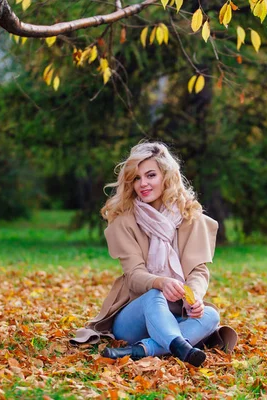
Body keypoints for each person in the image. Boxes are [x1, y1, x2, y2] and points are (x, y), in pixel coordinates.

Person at [70, 142, 237, 367]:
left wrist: (194, 296)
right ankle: (178, 345)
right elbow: (134, 275)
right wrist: (161, 282)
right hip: (134, 316)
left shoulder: (191, 218)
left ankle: (143, 349)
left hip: (178, 313)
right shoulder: (126, 221)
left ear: (166, 176)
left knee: (210, 315)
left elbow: (199, 271)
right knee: (154, 295)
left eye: (150, 175)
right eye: (136, 178)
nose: (143, 184)